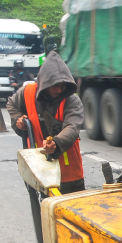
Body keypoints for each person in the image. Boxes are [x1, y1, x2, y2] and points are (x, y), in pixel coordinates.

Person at [7, 51, 85, 193]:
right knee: (43, 212)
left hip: (69, 174)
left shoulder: (72, 100)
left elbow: (72, 127)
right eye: (55, 85)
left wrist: (56, 143)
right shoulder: (27, 92)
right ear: (44, 82)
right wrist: (19, 120)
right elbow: (11, 104)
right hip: (39, 168)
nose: (59, 90)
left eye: (63, 85)